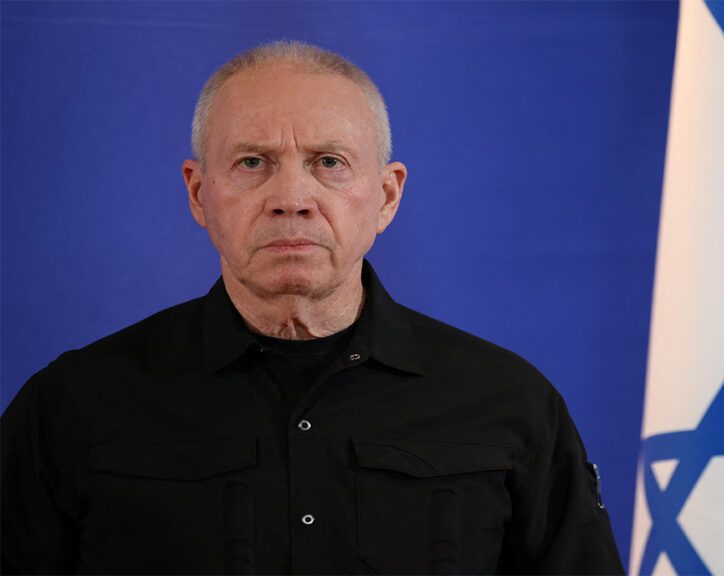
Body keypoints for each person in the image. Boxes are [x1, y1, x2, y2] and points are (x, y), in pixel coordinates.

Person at [0, 41, 623, 574]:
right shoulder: (74, 404)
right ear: (198, 193)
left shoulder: (510, 403)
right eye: (253, 163)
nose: (291, 197)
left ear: (386, 196)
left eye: (329, 162)